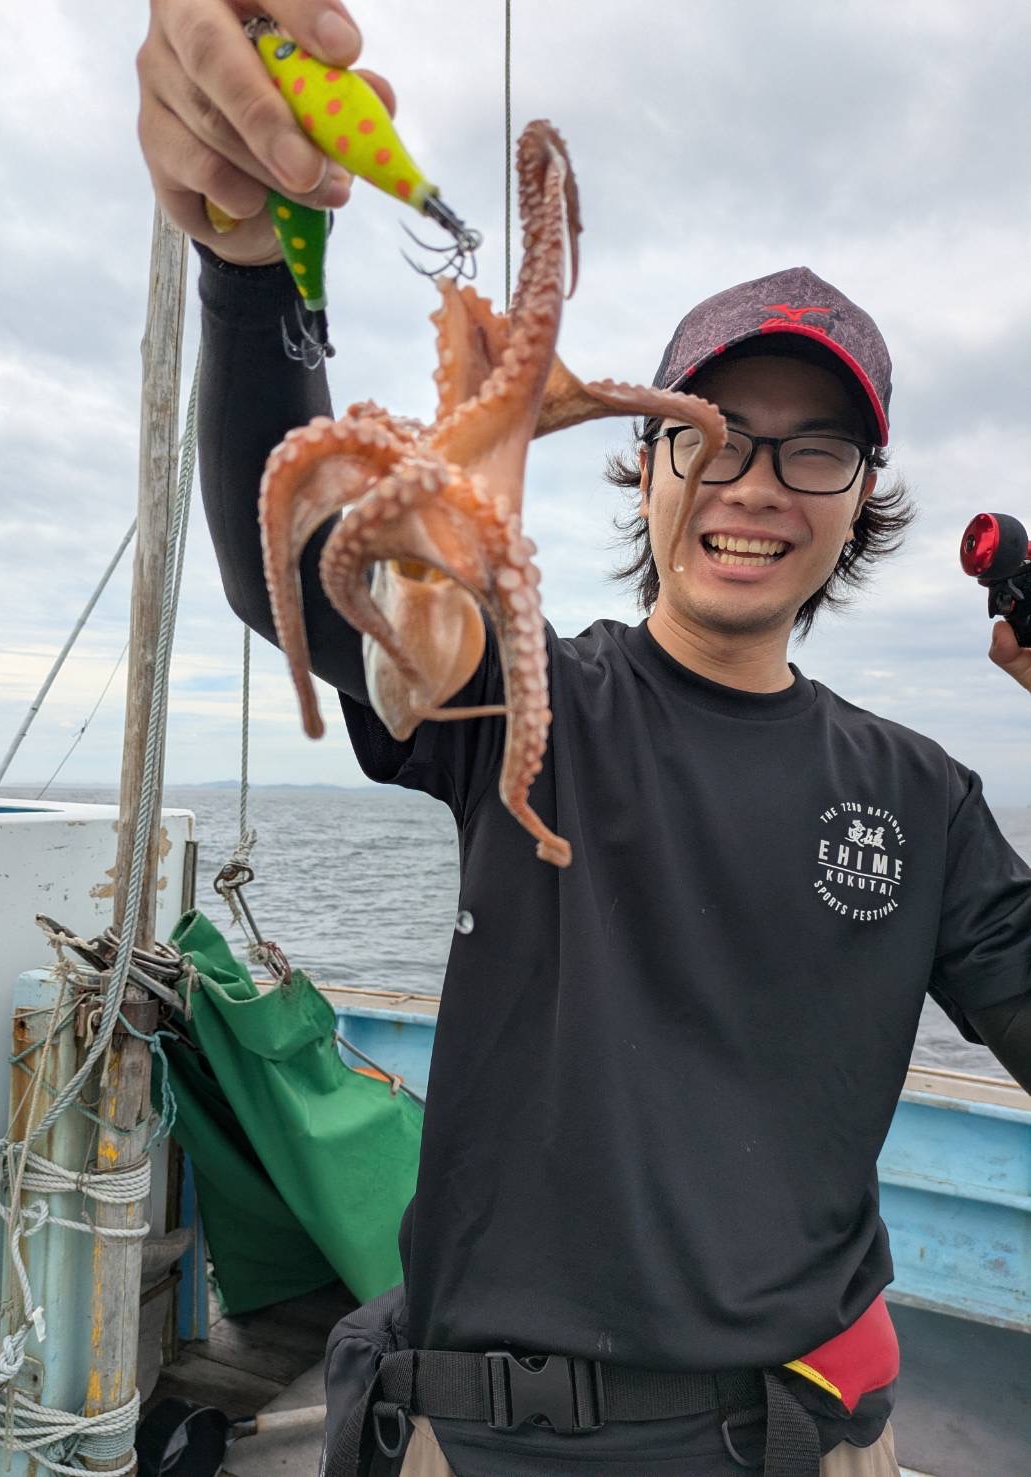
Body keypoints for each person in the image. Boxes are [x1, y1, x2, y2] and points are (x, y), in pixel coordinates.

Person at [137, 5, 1031, 1474]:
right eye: (706, 429)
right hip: (479, 1438)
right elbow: (299, 567)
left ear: (860, 497)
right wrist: (250, 257)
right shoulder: (522, 692)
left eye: (813, 447)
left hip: (790, 1441)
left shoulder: (921, 798)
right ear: (647, 457)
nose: (753, 481)